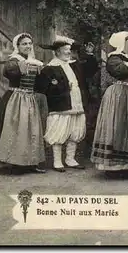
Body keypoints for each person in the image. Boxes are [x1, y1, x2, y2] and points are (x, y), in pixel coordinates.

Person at [90, 31, 128, 173]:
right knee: (120, 125)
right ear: (121, 44)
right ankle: (114, 165)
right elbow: (119, 72)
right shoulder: (114, 58)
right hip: (120, 95)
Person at [37, 35, 97, 172]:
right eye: (65, 49)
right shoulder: (50, 69)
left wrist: (89, 54)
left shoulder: (74, 65)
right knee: (59, 131)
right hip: (60, 106)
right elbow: (43, 88)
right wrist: (63, 88)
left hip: (77, 104)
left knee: (75, 131)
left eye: (69, 49)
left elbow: (90, 71)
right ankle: (57, 161)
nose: (69, 52)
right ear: (57, 52)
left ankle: (70, 159)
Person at [0, 33, 47, 174]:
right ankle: (14, 163)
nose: (28, 46)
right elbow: (8, 72)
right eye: (24, 44)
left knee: (31, 131)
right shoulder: (13, 60)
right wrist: (25, 65)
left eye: (30, 43)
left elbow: (39, 85)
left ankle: (30, 162)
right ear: (17, 46)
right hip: (16, 99)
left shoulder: (34, 61)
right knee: (17, 130)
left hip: (30, 99)